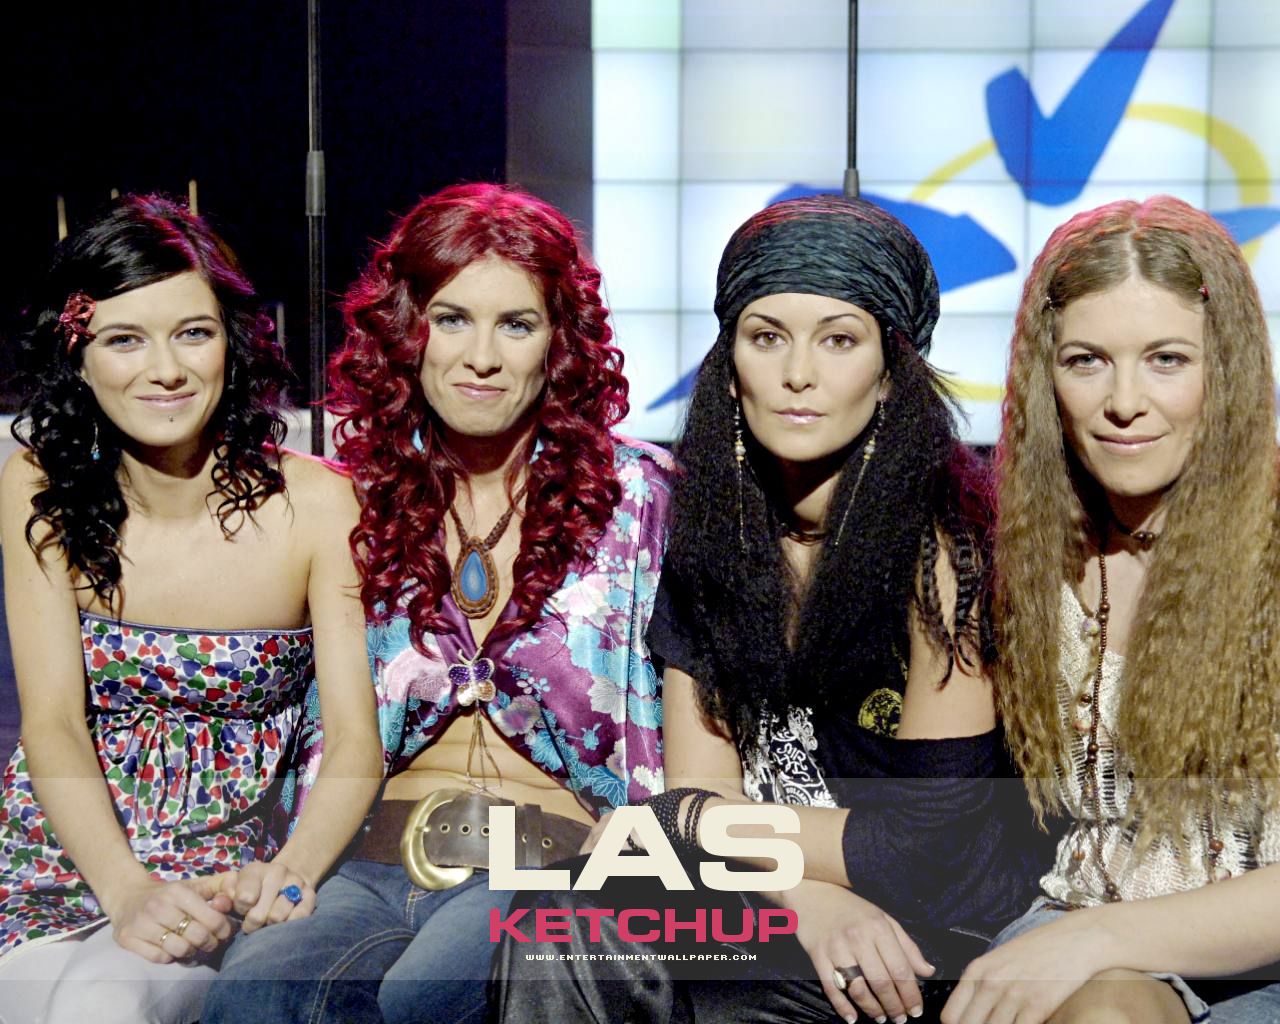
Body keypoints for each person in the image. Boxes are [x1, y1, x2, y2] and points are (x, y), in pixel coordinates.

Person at [492, 193, 1046, 1024]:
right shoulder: (714, 538)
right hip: (780, 894)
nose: (798, 373)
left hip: (935, 928)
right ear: (731, 364)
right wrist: (795, 893)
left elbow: (924, 846)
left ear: (890, 372)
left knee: (724, 998)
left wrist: (698, 828)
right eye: (767, 337)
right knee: (554, 914)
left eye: (839, 340)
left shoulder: (945, 551)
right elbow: (694, 796)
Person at [201, 182, 673, 1024]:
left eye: (516, 325)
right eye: (451, 319)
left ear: (559, 344)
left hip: (550, 866)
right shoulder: (351, 500)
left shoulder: (639, 496)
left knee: (428, 999)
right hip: (362, 864)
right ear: (406, 332)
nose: (479, 356)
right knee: (254, 993)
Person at [0, 195, 381, 1023]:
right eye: (124, 340)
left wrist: (293, 872)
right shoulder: (36, 484)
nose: (165, 370)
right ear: (77, 356)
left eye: (192, 333)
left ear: (232, 344)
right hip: (62, 854)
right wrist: (124, 889)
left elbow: (357, 740)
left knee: (99, 1005)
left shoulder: (317, 505)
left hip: (224, 872)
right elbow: (52, 723)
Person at [941, 195, 1280, 1024]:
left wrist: (1097, 939)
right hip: (1080, 928)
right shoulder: (1023, 558)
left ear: (1227, 369)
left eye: (1167, 360)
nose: (1124, 401)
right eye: (1087, 361)